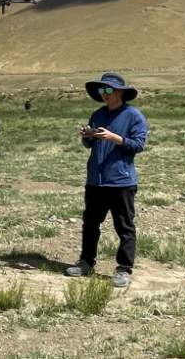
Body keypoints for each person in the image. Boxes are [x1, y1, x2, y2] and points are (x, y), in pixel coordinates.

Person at [65, 72, 148, 288]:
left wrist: (115, 138)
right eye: (102, 91)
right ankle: (86, 262)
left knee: (124, 227)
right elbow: (90, 146)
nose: (105, 94)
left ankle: (124, 269)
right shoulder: (98, 114)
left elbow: (138, 145)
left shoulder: (134, 115)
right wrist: (87, 137)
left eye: (109, 90)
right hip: (96, 180)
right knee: (90, 224)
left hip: (121, 181)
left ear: (120, 92)